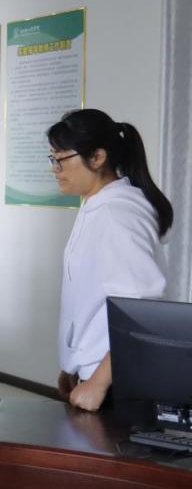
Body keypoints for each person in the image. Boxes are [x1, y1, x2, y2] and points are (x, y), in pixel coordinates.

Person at [49, 109, 171, 412]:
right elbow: (89, 298)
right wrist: (74, 364)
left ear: (97, 157)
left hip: (118, 383)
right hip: (98, 373)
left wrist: (98, 383)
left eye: (61, 159)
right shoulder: (96, 204)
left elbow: (141, 310)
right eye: (52, 158)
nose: (55, 169)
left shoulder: (118, 214)